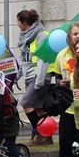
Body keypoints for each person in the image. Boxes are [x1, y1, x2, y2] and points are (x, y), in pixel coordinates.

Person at [48, 23, 79, 157]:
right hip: (69, 108)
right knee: (64, 144)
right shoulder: (62, 55)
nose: (77, 36)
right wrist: (60, 83)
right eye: (74, 33)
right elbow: (55, 78)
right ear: (69, 37)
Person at [17, 9, 51, 146]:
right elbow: (25, 58)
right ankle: (45, 135)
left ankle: (40, 133)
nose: (18, 25)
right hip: (30, 76)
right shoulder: (27, 36)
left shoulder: (40, 35)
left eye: (18, 22)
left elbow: (43, 58)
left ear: (25, 23)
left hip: (38, 77)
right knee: (38, 108)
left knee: (26, 104)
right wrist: (18, 74)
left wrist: (39, 81)